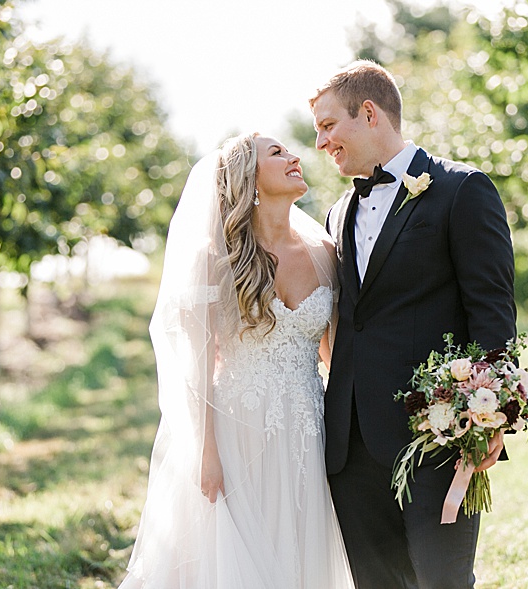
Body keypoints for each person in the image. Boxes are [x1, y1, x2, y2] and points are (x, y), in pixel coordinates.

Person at [312, 60, 517, 589]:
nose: (320, 142)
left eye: (328, 125)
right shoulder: (338, 213)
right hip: (350, 448)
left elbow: (492, 312)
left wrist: (489, 417)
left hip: (435, 438)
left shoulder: (461, 190)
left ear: (369, 112)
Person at [119, 132, 354, 588]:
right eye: (277, 153)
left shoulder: (325, 254)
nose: (294, 157)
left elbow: (333, 355)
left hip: (307, 429)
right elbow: (195, 368)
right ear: (249, 177)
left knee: (299, 555)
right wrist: (206, 453)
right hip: (237, 431)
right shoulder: (216, 262)